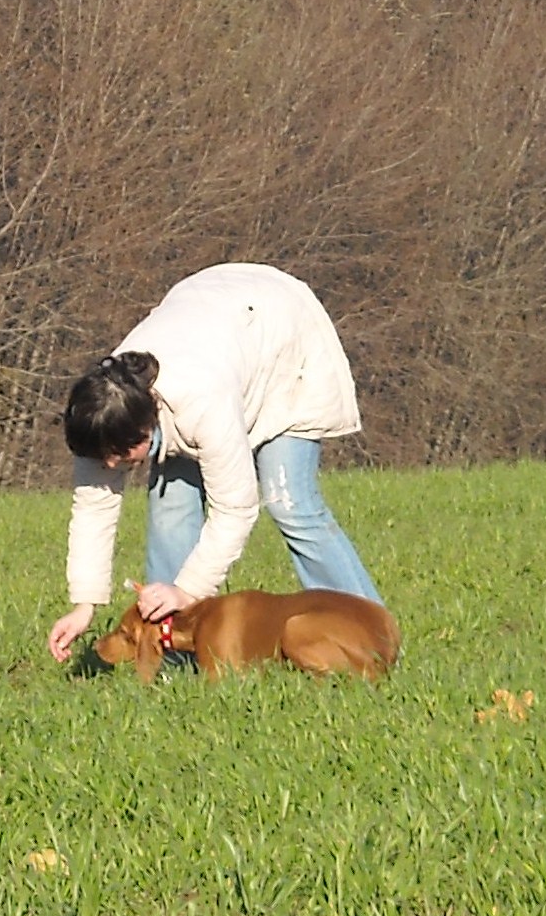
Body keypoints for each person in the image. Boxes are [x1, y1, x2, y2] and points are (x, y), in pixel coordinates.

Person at [47, 262, 383, 666]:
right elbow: (93, 507)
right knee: (170, 507)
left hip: (280, 335)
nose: (111, 465)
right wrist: (84, 605)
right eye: (103, 457)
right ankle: (174, 655)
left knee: (288, 501)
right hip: (213, 322)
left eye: (120, 455)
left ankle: (368, 635)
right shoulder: (101, 413)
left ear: (145, 425)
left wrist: (188, 589)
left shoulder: (201, 404)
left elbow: (235, 509)